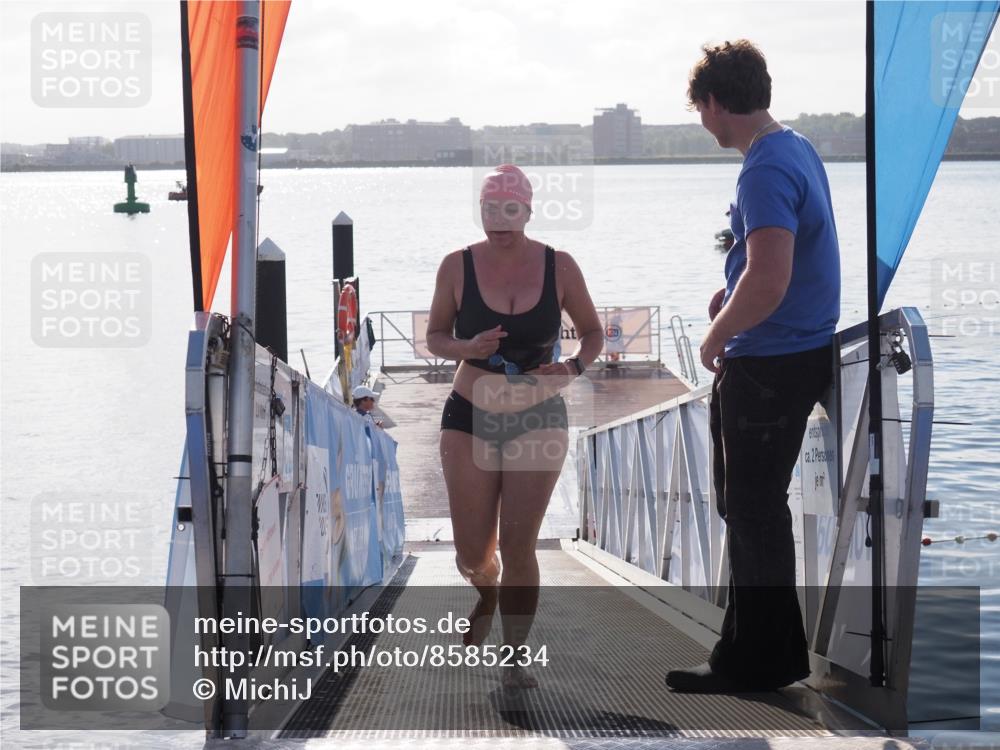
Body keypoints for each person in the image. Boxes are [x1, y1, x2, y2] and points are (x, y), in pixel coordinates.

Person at [665, 40, 840, 693]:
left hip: (770, 362)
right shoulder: (795, 147)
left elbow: (769, 279)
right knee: (752, 509)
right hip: (794, 350)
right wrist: (733, 289)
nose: (702, 121)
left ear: (715, 102)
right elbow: (770, 266)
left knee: (753, 510)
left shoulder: (763, 167)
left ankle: (757, 661)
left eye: (700, 109)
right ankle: (755, 652)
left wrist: (716, 335)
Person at [425, 164, 603, 691]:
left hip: (537, 415)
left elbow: (593, 333)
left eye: (510, 209)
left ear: (527, 211)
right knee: (471, 553)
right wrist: (465, 347)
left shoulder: (559, 265)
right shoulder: (456, 265)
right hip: (469, 413)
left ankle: (514, 657)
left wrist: (572, 368)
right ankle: (487, 590)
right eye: (489, 209)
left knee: (520, 543)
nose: (499, 219)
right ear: (480, 211)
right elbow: (435, 335)